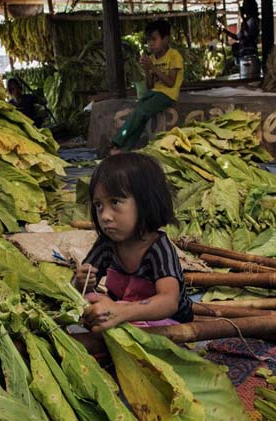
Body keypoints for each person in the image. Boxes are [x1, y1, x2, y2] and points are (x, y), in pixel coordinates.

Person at [74, 153, 193, 332]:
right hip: (120, 310)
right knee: (87, 300)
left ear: (147, 202)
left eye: (115, 202)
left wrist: (121, 311)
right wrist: (81, 282)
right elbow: (81, 287)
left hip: (167, 322)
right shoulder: (107, 244)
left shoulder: (159, 248)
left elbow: (169, 302)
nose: (105, 216)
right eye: (99, 205)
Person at [109, 20, 184, 154]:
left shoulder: (174, 56)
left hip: (168, 95)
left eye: (154, 39)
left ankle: (117, 140)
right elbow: (150, 86)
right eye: (148, 40)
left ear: (166, 39)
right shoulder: (152, 58)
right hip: (154, 93)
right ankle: (124, 150)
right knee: (139, 119)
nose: (150, 44)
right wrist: (147, 70)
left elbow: (170, 82)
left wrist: (153, 67)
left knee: (140, 112)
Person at [220, 0, 259, 67]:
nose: (243, 7)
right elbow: (238, 37)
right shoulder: (246, 20)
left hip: (250, 53)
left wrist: (243, 17)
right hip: (244, 53)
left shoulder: (253, 20)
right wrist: (224, 30)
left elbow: (248, 34)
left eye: (245, 6)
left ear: (250, 7)